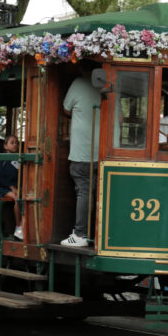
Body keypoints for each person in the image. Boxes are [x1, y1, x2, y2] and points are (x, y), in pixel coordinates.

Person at [61, 68, 100, 247]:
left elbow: (66, 109)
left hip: (82, 153)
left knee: (84, 192)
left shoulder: (78, 83)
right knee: (101, 193)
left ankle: (80, 234)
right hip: (104, 153)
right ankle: (101, 235)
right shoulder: (108, 84)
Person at [0, 135, 24, 240]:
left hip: (17, 187)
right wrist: (11, 187)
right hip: (4, 188)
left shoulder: (19, 158)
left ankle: (23, 225)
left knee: (23, 196)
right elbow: (1, 176)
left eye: (16, 142)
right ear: (5, 146)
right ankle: (19, 227)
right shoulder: (2, 159)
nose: (15, 144)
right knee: (17, 197)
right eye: (12, 143)